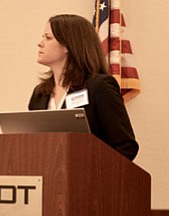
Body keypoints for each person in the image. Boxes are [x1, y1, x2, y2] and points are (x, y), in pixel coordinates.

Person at [29, 14, 139, 160]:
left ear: (69, 45)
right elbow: (32, 143)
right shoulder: (40, 93)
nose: (40, 43)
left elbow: (126, 147)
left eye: (48, 38)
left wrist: (92, 171)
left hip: (91, 178)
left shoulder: (100, 87)